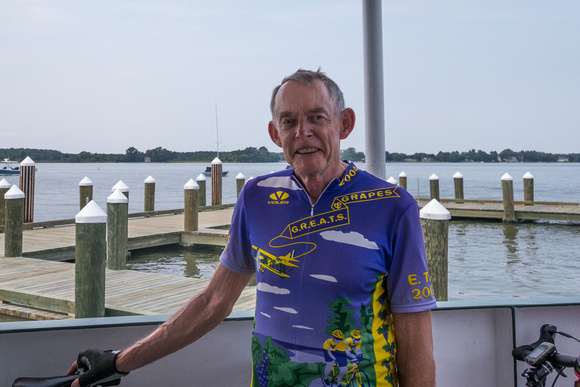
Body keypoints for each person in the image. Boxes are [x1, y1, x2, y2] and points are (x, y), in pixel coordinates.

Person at [67, 69, 437, 387]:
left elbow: (415, 341)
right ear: (276, 134)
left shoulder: (392, 206)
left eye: (317, 117)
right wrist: (119, 362)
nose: (302, 132)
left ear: (345, 123)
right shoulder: (257, 197)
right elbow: (213, 302)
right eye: (289, 121)